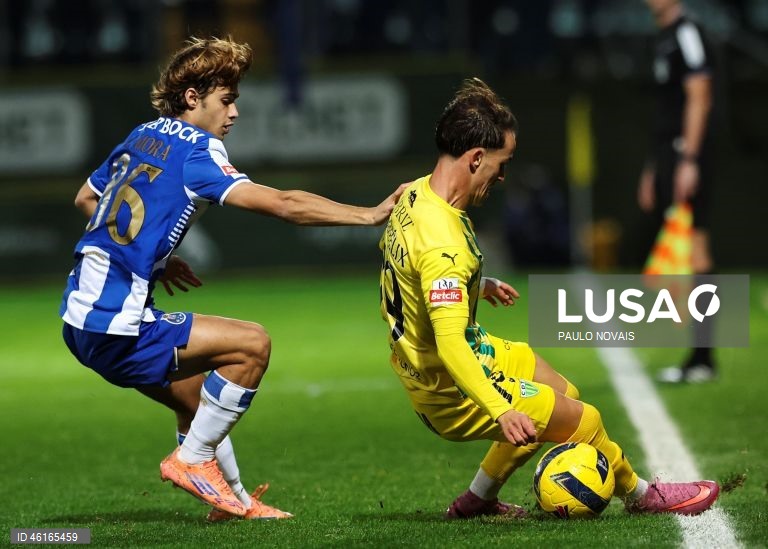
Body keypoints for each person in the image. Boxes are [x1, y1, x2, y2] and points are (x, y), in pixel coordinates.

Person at [60, 36, 403, 521]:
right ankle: (192, 461)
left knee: (197, 400)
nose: (235, 113)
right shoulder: (198, 151)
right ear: (192, 98)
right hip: (117, 321)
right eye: (227, 99)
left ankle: (235, 503)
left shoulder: (141, 135)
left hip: (79, 318)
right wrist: (369, 215)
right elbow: (284, 204)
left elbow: (85, 199)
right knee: (252, 345)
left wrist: (156, 255)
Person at [378, 77, 719, 518]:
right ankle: (642, 497)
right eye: (502, 164)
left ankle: (476, 501)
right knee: (586, 420)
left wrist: (475, 285)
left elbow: (411, 270)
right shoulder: (445, 242)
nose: (503, 176)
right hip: (449, 387)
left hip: (444, 360)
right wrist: (501, 410)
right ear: (476, 157)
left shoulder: (415, 194)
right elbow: (449, 342)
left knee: (564, 393)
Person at [638, 0, 718, 383]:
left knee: (696, 249)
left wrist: (689, 157)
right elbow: (667, 109)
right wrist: (655, 168)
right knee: (684, 254)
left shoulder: (687, 31)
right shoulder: (665, 38)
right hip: (669, 156)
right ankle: (697, 357)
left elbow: (700, 93)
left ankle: (704, 359)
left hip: (687, 154)